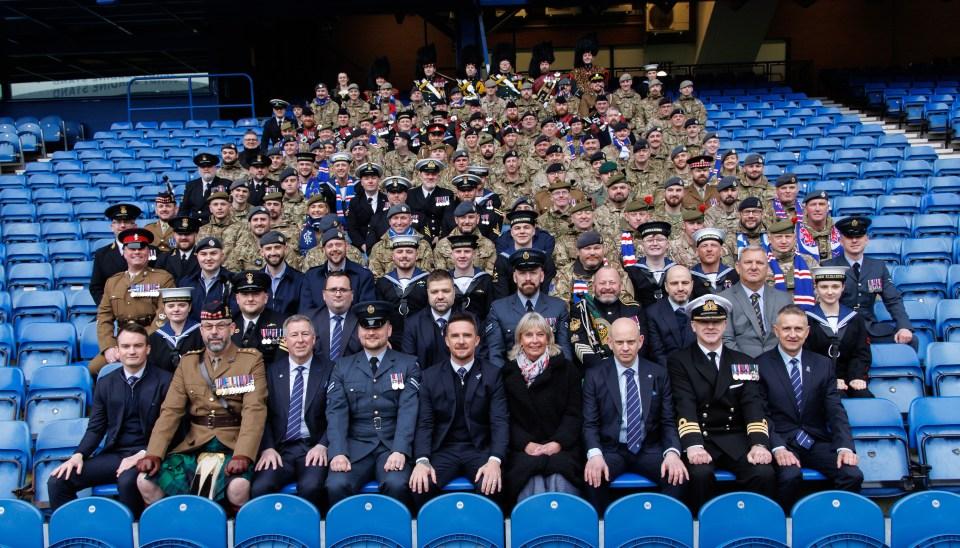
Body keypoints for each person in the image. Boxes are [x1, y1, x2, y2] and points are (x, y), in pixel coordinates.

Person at [136, 300, 267, 509]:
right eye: (208, 327)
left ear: (232, 328)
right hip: (194, 444)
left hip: (232, 444)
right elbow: (170, 411)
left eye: (221, 326)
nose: (214, 332)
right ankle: (173, 533)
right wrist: (154, 453)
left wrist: (244, 453)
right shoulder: (188, 362)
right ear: (201, 330)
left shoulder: (250, 360)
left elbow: (254, 410)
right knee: (145, 481)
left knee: (238, 486)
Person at [667, 294, 776, 512]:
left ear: (725, 324)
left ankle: (753, 530)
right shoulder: (679, 361)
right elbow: (684, 405)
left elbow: (753, 406)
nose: (710, 327)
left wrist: (758, 444)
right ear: (693, 325)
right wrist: (693, 446)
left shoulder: (744, 362)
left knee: (764, 472)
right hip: (702, 438)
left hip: (735, 438)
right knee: (699, 474)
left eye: (716, 321)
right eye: (704, 322)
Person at [48, 324, 172, 515]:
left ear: (147, 349)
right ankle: (77, 531)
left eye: (137, 346)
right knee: (58, 480)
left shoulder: (165, 381)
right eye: (126, 346)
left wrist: (144, 453)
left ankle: (133, 537)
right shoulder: (106, 383)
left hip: (149, 454)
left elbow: (174, 429)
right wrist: (79, 454)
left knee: (126, 481)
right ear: (118, 350)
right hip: (116, 454)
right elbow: (96, 427)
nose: (131, 351)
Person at [758, 305, 864, 508]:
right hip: (782, 441)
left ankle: (831, 524)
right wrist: (777, 447)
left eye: (798, 329)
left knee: (852, 474)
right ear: (776, 330)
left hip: (815, 441)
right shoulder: (761, 365)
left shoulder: (822, 364)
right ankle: (784, 527)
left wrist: (845, 447)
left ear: (807, 332)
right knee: (790, 476)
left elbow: (835, 410)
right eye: (787, 328)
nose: (792, 334)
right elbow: (761, 415)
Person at [582, 318, 688, 512]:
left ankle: (663, 530)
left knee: (677, 476)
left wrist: (673, 453)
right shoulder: (595, 375)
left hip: (649, 448)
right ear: (610, 343)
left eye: (630, 342)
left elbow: (668, 420)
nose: (625, 348)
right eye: (620, 342)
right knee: (592, 478)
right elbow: (590, 423)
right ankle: (606, 534)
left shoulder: (658, 373)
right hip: (611, 450)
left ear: (640, 341)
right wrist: (595, 455)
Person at [325, 301, 422, 508]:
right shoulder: (342, 366)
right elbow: (336, 413)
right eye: (366, 327)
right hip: (355, 446)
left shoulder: (408, 364)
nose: (371, 332)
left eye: (377, 326)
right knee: (336, 484)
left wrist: (400, 450)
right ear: (358, 331)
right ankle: (349, 538)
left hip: (391, 445)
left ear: (389, 329)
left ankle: (393, 538)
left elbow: (408, 410)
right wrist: (338, 452)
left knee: (397, 483)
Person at [410, 312, 509, 505]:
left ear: (477, 340)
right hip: (443, 450)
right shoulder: (430, 377)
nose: (461, 341)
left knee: (492, 486)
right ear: (446, 341)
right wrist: (422, 460)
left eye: (467, 335)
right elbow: (424, 423)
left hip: (480, 450)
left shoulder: (492, 374)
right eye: (455, 336)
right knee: (420, 486)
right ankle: (439, 534)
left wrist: (495, 460)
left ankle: (481, 535)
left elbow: (499, 421)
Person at [251, 315, 333, 507]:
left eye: (305, 334)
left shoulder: (331, 369)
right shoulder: (271, 371)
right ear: (285, 341)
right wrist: (268, 447)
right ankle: (270, 534)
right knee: (261, 487)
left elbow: (337, 414)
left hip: (313, 448)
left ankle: (307, 536)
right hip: (281, 450)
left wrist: (323, 445)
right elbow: (263, 414)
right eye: (294, 335)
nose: (300, 340)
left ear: (314, 339)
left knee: (312, 487)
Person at [501, 312, 583, 503]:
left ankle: (565, 530)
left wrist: (557, 443)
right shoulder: (507, 372)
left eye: (540, 334)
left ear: (549, 338)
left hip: (562, 446)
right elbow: (505, 418)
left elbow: (574, 414)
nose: (535, 340)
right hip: (523, 449)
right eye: (529, 335)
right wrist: (526, 444)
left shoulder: (567, 369)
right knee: (530, 479)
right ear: (520, 339)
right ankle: (532, 530)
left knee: (560, 478)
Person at [92, 228, 175, 375]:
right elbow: (104, 317)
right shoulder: (112, 282)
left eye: (142, 248)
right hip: (121, 342)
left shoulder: (163, 278)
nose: (137, 252)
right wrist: (109, 347)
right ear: (124, 253)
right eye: (132, 248)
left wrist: (141, 342)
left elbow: (164, 315)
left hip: (151, 341)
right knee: (93, 369)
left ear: (148, 253)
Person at [822, 216, 915, 347]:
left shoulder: (878, 267)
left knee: (910, 341)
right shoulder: (829, 267)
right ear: (841, 241)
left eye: (859, 237)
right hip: (839, 329)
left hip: (869, 328)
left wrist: (904, 327)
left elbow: (893, 300)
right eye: (849, 237)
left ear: (866, 240)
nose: (854, 241)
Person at [485, 249, 572, 368]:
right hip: (511, 379)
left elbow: (565, 351)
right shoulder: (499, 309)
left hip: (552, 378)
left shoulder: (558, 307)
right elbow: (495, 355)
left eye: (533, 272)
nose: (528, 278)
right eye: (522, 273)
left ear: (541, 276)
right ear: (515, 277)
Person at [805, 266, 873, 398]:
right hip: (817, 379)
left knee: (865, 398)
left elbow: (861, 352)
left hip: (849, 378)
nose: (830, 292)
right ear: (816, 288)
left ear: (843, 287)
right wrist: (830, 379)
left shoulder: (854, 318)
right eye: (824, 287)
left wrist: (856, 377)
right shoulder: (807, 319)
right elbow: (806, 355)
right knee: (836, 397)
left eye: (835, 286)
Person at [720, 246, 793, 358]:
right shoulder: (723, 300)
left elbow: (791, 337)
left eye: (759, 263)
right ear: (738, 267)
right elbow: (726, 340)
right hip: (741, 367)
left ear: (767, 268)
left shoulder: (784, 299)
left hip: (779, 366)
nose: (754, 267)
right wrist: (748, 366)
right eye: (748, 262)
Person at [570, 267, 649, 369]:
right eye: (602, 283)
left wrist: (626, 366)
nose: (607, 287)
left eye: (612, 283)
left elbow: (642, 343)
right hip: (597, 371)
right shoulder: (581, 310)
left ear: (620, 287)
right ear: (593, 287)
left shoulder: (634, 309)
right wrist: (606, 369)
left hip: (631, 368)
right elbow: (579, 345)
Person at [299, 228, 376, 313]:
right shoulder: (311, 277)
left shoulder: (363, 276)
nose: (334, 249)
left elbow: (366, 311)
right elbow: (305, 311)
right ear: (323, 250)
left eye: (338, 244)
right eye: (330, 246)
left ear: (346, 246)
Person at [90, 203, 145, 305]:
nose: (123, 225)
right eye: (118, 222)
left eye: (127, 221)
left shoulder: (148, 251)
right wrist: (108, 309)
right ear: (112, 227)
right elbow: (96, 287)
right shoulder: (102, 254)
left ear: (135, 226)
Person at [308, 271, 362, 373]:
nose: (338, 294)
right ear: (324, 295)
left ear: (352, 295)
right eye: (333, 290)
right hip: (316, 376)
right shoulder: (308, 320)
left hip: (352, 376)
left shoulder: (362, 320)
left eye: (343, 290)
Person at [401, 270, 456, 370]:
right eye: (434, 292)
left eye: (446, 291)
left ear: (454, 291)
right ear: (427, 293)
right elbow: (409, 365)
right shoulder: (413, 325)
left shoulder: (470, 321)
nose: (440, 297)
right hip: (424, 384)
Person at [647, 265, 697, 366]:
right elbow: (658, 353)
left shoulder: (701, 309)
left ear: (692, 284)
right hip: (668, 373)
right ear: (666, 286)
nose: (680, 288)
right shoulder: (653, 313)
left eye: (685, 283)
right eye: (674, 283)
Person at [231, 271, 284, 364]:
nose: (250, 299)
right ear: (237, 299)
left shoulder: (282, 323)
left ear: (266, 298)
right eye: (245, 294)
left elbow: (281, 363)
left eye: (256, 294)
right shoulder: (228, 322)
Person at [148, 287, 203, 373]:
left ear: (189, 307)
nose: (176, 309)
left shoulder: (202, 333)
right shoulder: (154, 338)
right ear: (164, 308)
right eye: (171, 306)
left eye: (182, 305)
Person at [182, 237, 234, 322]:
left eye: (213, 253)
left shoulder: (233, 281)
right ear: (197, 257)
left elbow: (235, 311)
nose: (208, 258)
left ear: (222, 256)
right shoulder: (186, 283)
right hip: (194, 332)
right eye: (203, 254)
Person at [625, 221, 675, 308]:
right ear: (642, 244)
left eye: (660, 240)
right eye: (649, 240)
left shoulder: (676, 270)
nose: (655, 244)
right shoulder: (632, 272)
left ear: (667, 244)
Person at [181, 153, 231, 222]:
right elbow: (184, 209)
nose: (206, 169)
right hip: (196, 227)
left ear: (215, 168)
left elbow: (231, 207)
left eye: (209, 166)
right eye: (202, 166)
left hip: (217, 225)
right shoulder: (191, 185)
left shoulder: (226, 184)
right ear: (198, 169)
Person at [690, 228, 739, 298]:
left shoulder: (734, 275)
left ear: (721, 250)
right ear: (697, 252)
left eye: (713, 245)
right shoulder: (690, 277)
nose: (709, 249)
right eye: (704, 246)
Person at [154, 216, 200, 283]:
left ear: (195, 235)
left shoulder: (203, 257)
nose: (183, 237)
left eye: (188, 234)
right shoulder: (164, 258)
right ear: (174, 235)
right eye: (180, 234)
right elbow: (158, 282)